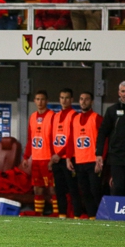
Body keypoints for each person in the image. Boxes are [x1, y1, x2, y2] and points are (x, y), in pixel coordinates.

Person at [66, 91, 102, 219]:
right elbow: (71, 140)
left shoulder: (97, 118)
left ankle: (102, 216)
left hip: (93, 161)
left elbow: (104, 140)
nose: (83, 101)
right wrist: (68, 158)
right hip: (79, 161)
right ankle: (92, 216)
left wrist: (101, 158)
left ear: (91, 102)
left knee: (95, 190)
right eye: (81, 99)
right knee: (85, 191)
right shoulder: (75, 119)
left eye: (86, 99)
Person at [21, 90, 57, 216]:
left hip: (48, 159)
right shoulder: (32, 117)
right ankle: (38, 214)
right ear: (34, 101)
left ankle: (57, 214)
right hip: (36, 159)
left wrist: (53, 157)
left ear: (47, 101)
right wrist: (26, 157)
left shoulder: (53, 116)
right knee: (37, 188)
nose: (40, 102)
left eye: (42, 99)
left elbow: (55, 139)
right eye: (37, 99)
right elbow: (30, 139)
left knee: (52, 188)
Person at [50, 88, 82, 219]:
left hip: (69, 158)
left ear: (72, 99)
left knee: (73, 189)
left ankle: (77, 215)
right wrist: (53, 155)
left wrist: (60, 154)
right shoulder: (55, 116)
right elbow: (51, 137)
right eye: (62, 98)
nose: (64, 100)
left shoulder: (74, 115)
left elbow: (72, 138)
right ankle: (62, 215)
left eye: (67, 98)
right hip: (56, 159)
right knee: (59, 189)